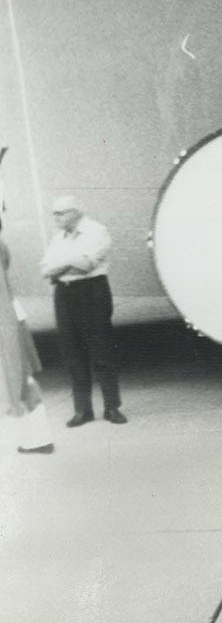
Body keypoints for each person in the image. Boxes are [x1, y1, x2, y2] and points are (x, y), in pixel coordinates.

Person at [40, 197, 121, 427]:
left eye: (60, 213)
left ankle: (112, 407)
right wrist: (69, 262)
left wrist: (60, 265)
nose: (56, 218)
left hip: (91, 292)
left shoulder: (97, 231)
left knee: (101, 350)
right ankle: (82, 410)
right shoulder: (58, 237)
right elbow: (45, 269)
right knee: (72, 351)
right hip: (64, 294)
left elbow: (88, 264)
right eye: (54, 214)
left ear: (76, 212)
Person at [0, 180, 54, 453]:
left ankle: (37, 438)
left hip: (6, 320)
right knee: (21, 380)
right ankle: (36, 438)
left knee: (18, 379)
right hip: (9, 317)